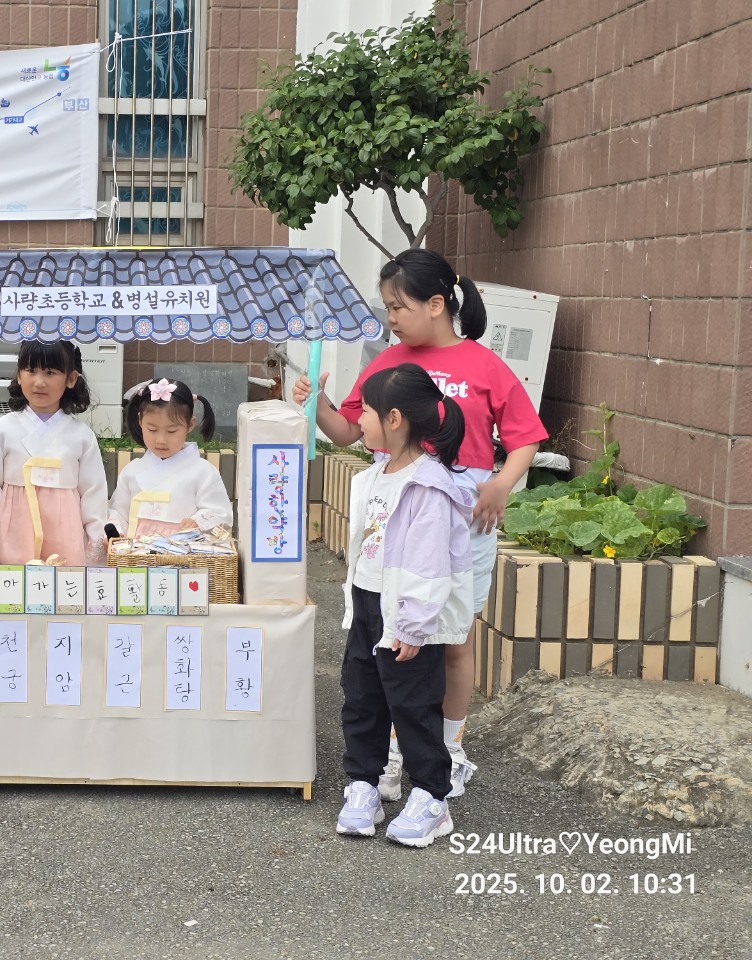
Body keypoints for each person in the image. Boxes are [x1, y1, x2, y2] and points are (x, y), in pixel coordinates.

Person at [293, 249, 547, 799]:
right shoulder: (386, 362)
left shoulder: (484, 365)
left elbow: (525, 437)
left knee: (451, 638)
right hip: (395, 523)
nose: (390, 317)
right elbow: (347, 433)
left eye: (397, 306)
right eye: (386, 307)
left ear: (437, 304)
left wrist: (501, 485)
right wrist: (316, 403)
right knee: (386, 635)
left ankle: (448, 748)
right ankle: (387, 753)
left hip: (463, 521)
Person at [335, 363, 474, 847]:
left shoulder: (428, 484)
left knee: (412, 706)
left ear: (394, 418)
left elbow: (427, 563)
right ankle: (363, 786)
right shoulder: (376, 476)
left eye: (366, 411)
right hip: (369, 605)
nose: (361, 419)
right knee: (363, 699)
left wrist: (413, 627)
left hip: (406, 617)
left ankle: (432, 797)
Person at [0, 340, 108, 565]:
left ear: (71, 379)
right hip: (14, 534)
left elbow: (94, 497)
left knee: (64, 594)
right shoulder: (2, 430)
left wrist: (96, 555)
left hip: (66, 537)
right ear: (19, 375)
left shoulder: (82, 436)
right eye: (31, 371)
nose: (39, 382)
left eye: (50, 372)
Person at [107, 377, 231, 538]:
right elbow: (119, 513)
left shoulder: (203, 472)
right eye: (152, 429)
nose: (161, 440)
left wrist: (197, 522)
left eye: (172, 431)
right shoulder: (131, 471)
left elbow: (220, 513)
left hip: (185, 555)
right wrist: (115, 534)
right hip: (137, 556)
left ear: (190, 425)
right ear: (140, 421)